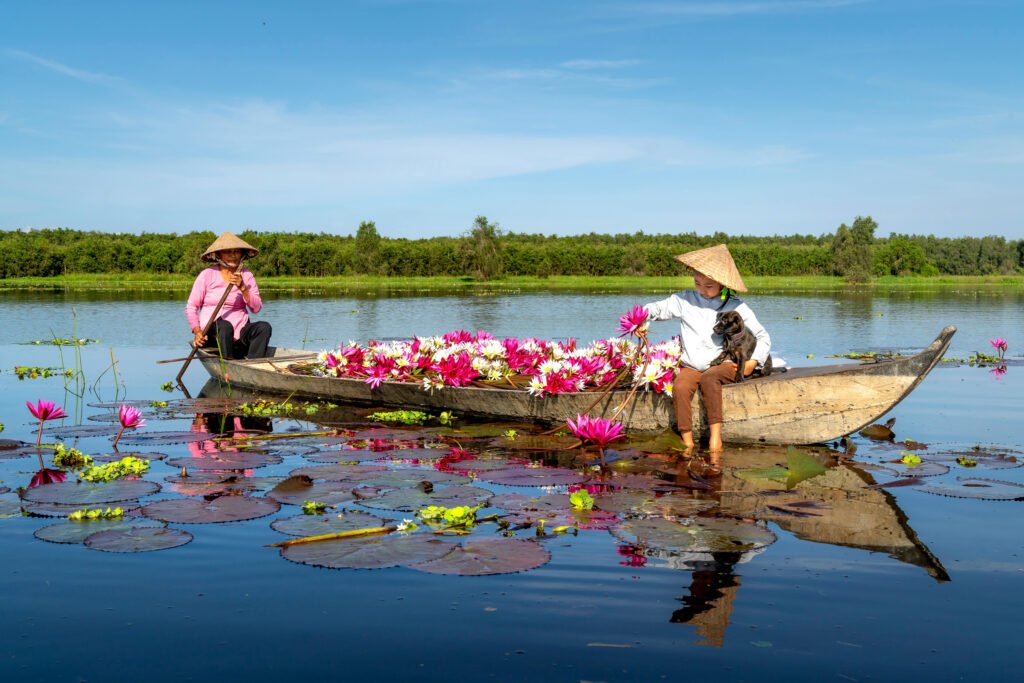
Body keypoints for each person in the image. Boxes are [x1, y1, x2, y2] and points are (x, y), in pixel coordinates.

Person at [642, 244, 770, 452]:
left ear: (722, 284)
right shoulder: (684, 300)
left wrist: (753, 362)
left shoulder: (736, 306)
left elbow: (762, 337)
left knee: (710, 378)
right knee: (681, 386)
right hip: (692, 365)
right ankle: (687, 440)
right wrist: (640, 319)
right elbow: (656, 309)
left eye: (709, 286)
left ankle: (715, 439)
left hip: (724, 363)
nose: (702, 290)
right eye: (697, 283)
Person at [186, 232, 272, 360]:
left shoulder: (247, 276)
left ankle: (254, 364)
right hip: (213, 334)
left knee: (264, 327)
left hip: (239, 333)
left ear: (242, 254)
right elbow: (191, 307)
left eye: (236, 251)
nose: (233, 255)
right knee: (224, 326)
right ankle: (227, 364)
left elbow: (256, 308)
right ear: (218, 255)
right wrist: (198, 332)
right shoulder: (207, 275)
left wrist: (243, 288)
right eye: (227, 252)